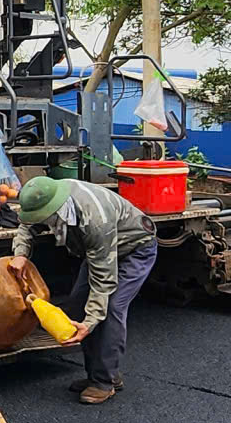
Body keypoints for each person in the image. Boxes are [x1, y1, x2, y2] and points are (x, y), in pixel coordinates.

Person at [10, 173, 158, 405]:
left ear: (55, 210)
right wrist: (20, 255)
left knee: (109, 308)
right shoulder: (45, 195)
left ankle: (104, 382)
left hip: (134, 249)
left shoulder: (95, 220)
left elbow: (103, 281)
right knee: (78, 305)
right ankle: (100, 374)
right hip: (100, 252)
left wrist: (91, 322)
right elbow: (26, 226)